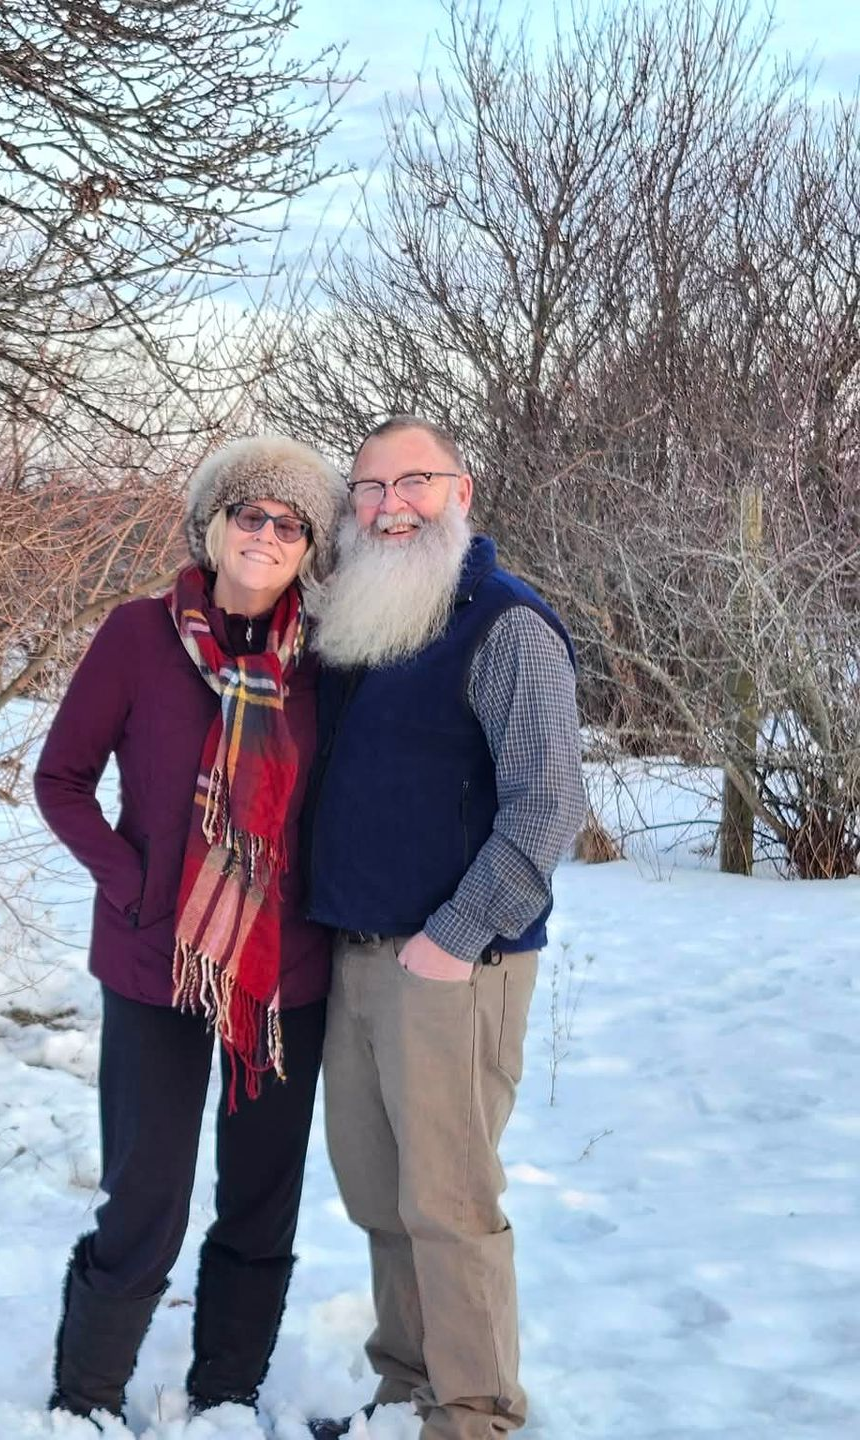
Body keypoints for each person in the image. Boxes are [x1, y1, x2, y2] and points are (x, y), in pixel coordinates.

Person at [34, 436, 342, 1424]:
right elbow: (61, 781)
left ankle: (224, 1394)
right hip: (152, 959)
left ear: (308, 548)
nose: (263, 534)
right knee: (146, 1198)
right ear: (212, 527)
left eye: (286, 523)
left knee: (259, 1199)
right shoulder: (136, 636)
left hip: (280, 971)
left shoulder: (326, 666)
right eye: (245, 514)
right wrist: (135, 889)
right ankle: (83, 1397)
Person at [303, 417, 587, 1440]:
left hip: (450, 965)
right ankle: (403, 1387)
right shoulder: (364, 622)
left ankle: (470, 1412)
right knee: (379, 1192)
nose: (387, 505)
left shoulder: (503, 625)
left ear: (460, 491)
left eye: (411, 482)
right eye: (367, 487)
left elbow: (547, 806)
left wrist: (452, 939)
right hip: (356, 956)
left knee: (448, 1200)